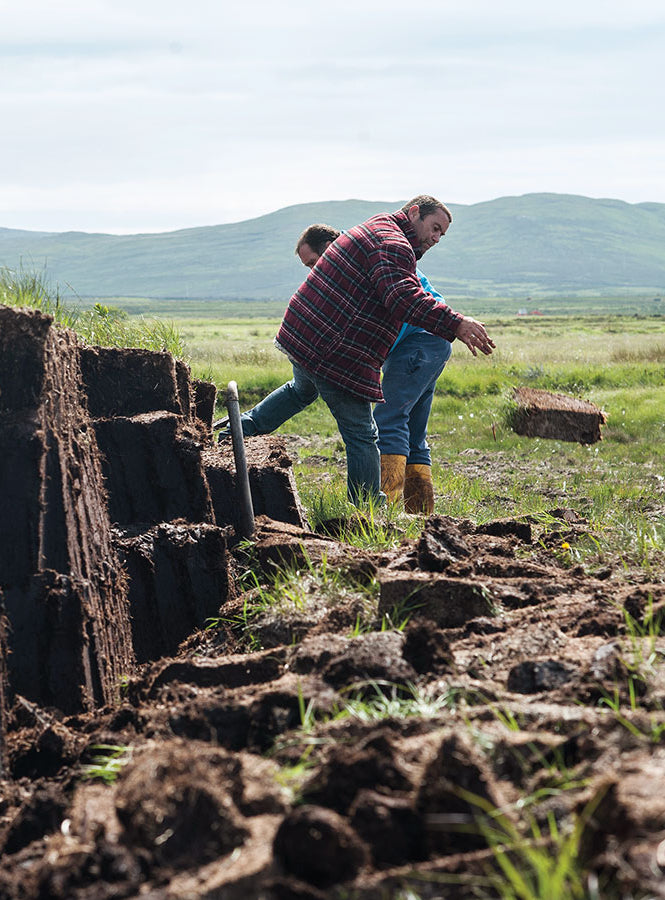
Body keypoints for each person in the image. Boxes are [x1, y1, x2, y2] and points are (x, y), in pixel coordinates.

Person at [228, 195, 494, 505]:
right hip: (334, 350)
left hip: (306, 335)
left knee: (302, 390)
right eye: (434, 228)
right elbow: (402, 298)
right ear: (414, 213)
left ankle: (236, 433)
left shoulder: (378, 228)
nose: (435, 239)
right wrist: (457, 324)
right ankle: (370, 510)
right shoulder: (393, 244)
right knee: (367, 432)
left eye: (441, 234)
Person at [294, 224, 452, 515]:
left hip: (418, 344)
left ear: (331, 246)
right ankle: (420, 514)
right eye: (309, 267)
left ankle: (385, 512)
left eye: (314, 263)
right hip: (431, 343)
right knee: (413, 432)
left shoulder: (361, 265)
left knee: (389, 419)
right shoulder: (370, 254)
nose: (313, 271)